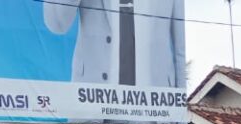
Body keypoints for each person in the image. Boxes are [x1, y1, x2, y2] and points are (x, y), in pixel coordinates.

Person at [42, 0, 185, 88]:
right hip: (94, 96)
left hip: (154, 99)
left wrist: (179, 105)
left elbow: (179, 44)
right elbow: (57, 24)